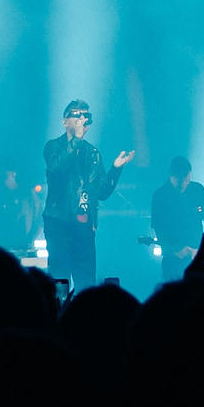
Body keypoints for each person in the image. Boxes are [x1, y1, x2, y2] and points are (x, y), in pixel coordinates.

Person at [42, 100, 135, 290]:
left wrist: (115, 169)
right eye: (76, 115)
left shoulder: (92, 153)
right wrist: (76, 139)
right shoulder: (53, 146)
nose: (82, 119)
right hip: (59, 223)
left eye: (85, 115)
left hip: (84, 226)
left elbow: (101, 193)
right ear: (65, 121)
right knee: (60, 280)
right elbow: (57, 167)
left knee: (86, 282)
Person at [150, 156, 204, 283]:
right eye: (178, 179)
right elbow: (158, 229)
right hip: (173, 259)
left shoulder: (197, 190)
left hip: (197, 255)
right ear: (171, 175)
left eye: (186, 179)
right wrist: (173, 250)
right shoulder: (160, 195)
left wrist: (202, 249)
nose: (183, 183)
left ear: (189, 175)